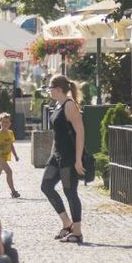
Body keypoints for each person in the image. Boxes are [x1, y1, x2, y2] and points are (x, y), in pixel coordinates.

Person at [42, 74, 86, 244]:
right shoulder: (58, 105)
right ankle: (67, 223)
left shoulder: (69, 106)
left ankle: (78, 231)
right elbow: (58, 133)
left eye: (50, 88)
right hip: (57, 155)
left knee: (70, 191)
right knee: (46, 186)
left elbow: (80, 132)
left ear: (59, 89)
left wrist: (78, 159)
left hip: (69, 156)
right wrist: (52, 153)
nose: (49, 91)